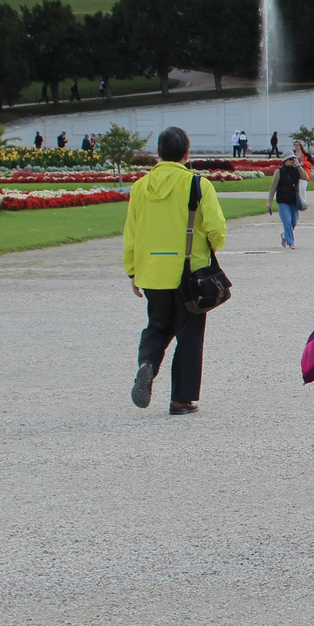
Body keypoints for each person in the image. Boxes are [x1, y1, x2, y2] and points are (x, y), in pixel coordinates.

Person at [122, 127, 226, 416]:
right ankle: (181, 399)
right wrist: (211, 248)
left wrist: (132, 270)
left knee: (157, 326)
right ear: (186, 153)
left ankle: (148, 364)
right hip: (188, 271)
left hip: (152, 270)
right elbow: (217, 229)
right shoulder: (197, 184)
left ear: (158, 152)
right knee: (189, 334)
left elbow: (131, 233)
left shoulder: (140, 187)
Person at [269, 153, 308, 248]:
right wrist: (269, 201)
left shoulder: (296, 170)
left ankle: (285, 235)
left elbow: (305, 177)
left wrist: (298, 165)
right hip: (283, 200)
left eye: (293, 159)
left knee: (294, 222)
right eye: (290, 159)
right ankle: (291, 242)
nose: (292, 161)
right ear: (285, 161)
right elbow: (273, 187)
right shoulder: (279, 171)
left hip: (293, 200)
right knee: (287, 221)